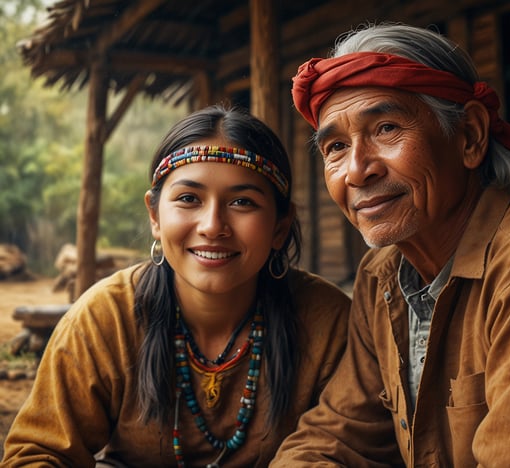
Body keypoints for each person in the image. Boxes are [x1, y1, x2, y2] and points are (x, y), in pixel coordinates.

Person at [271, 23, 510, 467]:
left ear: (471, 136)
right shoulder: (381, 275)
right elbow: (334, 438)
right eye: (336, 147)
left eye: (386, 128)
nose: (356, 171)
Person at [2, 104, 351, 467]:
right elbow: (37, 453)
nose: (213, 226)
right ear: (155, 216)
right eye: (189, 199)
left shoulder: (327, 324)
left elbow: (340, 447)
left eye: (242, 202)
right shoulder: (106, 318)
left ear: (280, 226)